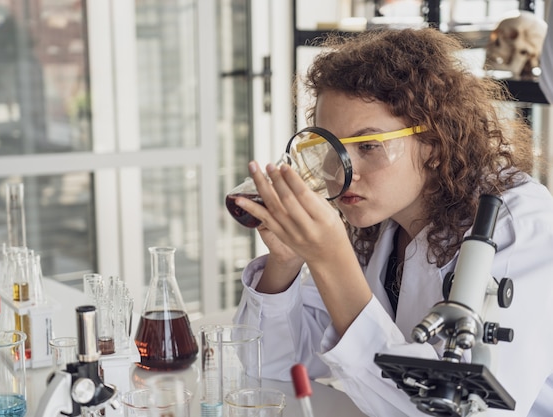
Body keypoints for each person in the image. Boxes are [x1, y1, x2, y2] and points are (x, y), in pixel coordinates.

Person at [232, 28, 553, 416]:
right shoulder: (381, 220)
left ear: (434, 142)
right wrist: (285, 261)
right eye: (329, 148)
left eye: (369, 146)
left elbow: (464, 409)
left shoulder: (515, 223)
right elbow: (277, 365)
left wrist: (332, 259)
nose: (341, 173)